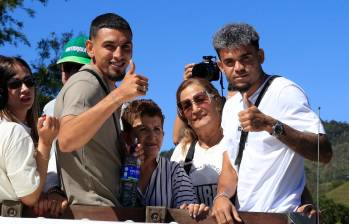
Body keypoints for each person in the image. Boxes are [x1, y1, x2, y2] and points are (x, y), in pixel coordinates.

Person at [211, 23, 332, 223]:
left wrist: (271, 125)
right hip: (243, 218)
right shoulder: (230, 107)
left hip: (282, 217)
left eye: (245, 58)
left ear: (260, 56)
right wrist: (222, 196)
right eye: (230, 62)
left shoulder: (284, 91)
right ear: (220, 66)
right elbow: (230, 166)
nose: (238, 68)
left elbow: (324, 152)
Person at [54, 13, 148, 206]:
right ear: (90, 48)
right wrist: (119, 95)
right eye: (109, 46)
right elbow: (67, 139)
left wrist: (125, 152)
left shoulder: (105, 87)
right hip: (92, 211)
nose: (119, 55)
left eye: (126, 47)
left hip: (106, 209)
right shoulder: (86, 82)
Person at [34, 35, 91, 217]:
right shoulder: (51, 107)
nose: (70, 74)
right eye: (66, 68)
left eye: (78, 69)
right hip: (62, 203)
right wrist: (53, 190)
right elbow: (48, 155)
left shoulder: (115, 105)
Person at [121, 99, 208, 217]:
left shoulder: (174, 172)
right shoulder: (114, 166)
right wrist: (130, 165)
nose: (152, 137)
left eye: (157, 129)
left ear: (163, 134)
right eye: (143, 129)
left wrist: (190, 208)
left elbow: (187, 208)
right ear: (126, 136)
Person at [0, 55, 59, 207]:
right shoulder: (14, 131)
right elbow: (30, 196)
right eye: (14, 84)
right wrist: (45, 143)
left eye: (29, 81)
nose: (25, 89)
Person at [171, 78, 225, 207]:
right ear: (184, 115)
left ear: (216, 100)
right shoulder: (181, 152)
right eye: (187, 106)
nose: (195, 109)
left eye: (200, 99)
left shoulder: (237, 143)